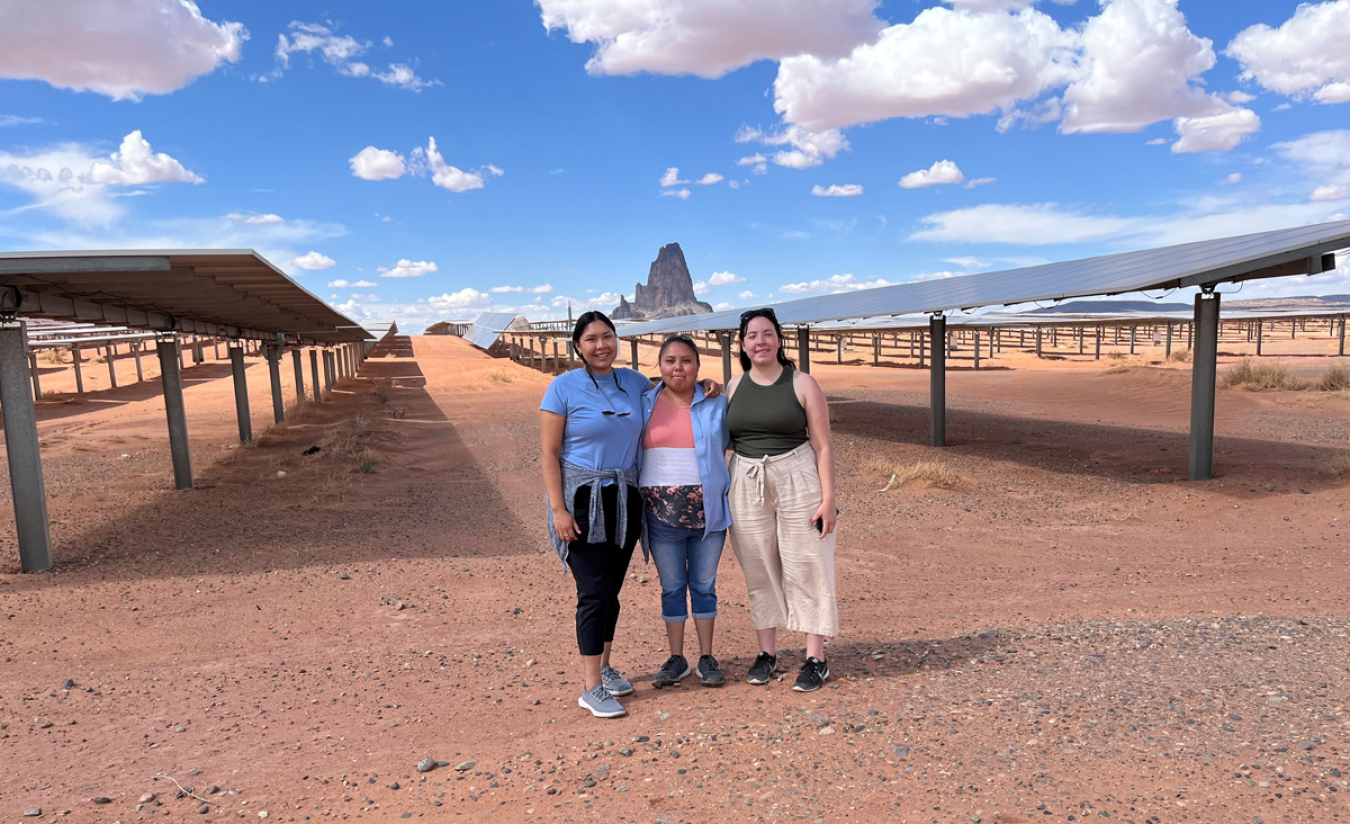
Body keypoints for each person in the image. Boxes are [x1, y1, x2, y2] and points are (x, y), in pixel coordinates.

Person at [540, 311, 649, 718]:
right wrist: (558, 510)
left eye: (608, 336)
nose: (601, 345)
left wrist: (706, 385)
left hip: (625, 499)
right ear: (578, 346)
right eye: (591, 339)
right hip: (583, 499)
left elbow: (676, 393)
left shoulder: (634, 383)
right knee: (592, 592)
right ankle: (590, 688)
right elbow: (549, 454)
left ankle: (603, 669)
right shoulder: (561, 388)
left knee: (611, 592)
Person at [725, 307, 839, 692]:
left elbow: (822, 446)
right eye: (752, 335)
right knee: (758, 564)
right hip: (745, 478)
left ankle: (815, 657)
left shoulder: (803, 383)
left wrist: (828, 499)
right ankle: (767, 654)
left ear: (779, 339)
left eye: (767, 333)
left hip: (797, 476)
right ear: (742, 344)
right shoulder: (733, 387)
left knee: (807, 562)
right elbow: (723, 438)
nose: (760, 341)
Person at [639, 335, 731, 689]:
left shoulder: (716, 404)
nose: (678, 368)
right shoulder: (643, 402)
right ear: (660, 366)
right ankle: (677, 658)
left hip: (709, 514)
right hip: (660, 517)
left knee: (704, 586)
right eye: (670, 361)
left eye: (687, 361)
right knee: (673, 587)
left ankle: (707, 657)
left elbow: (738, 440)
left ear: (697, 365)